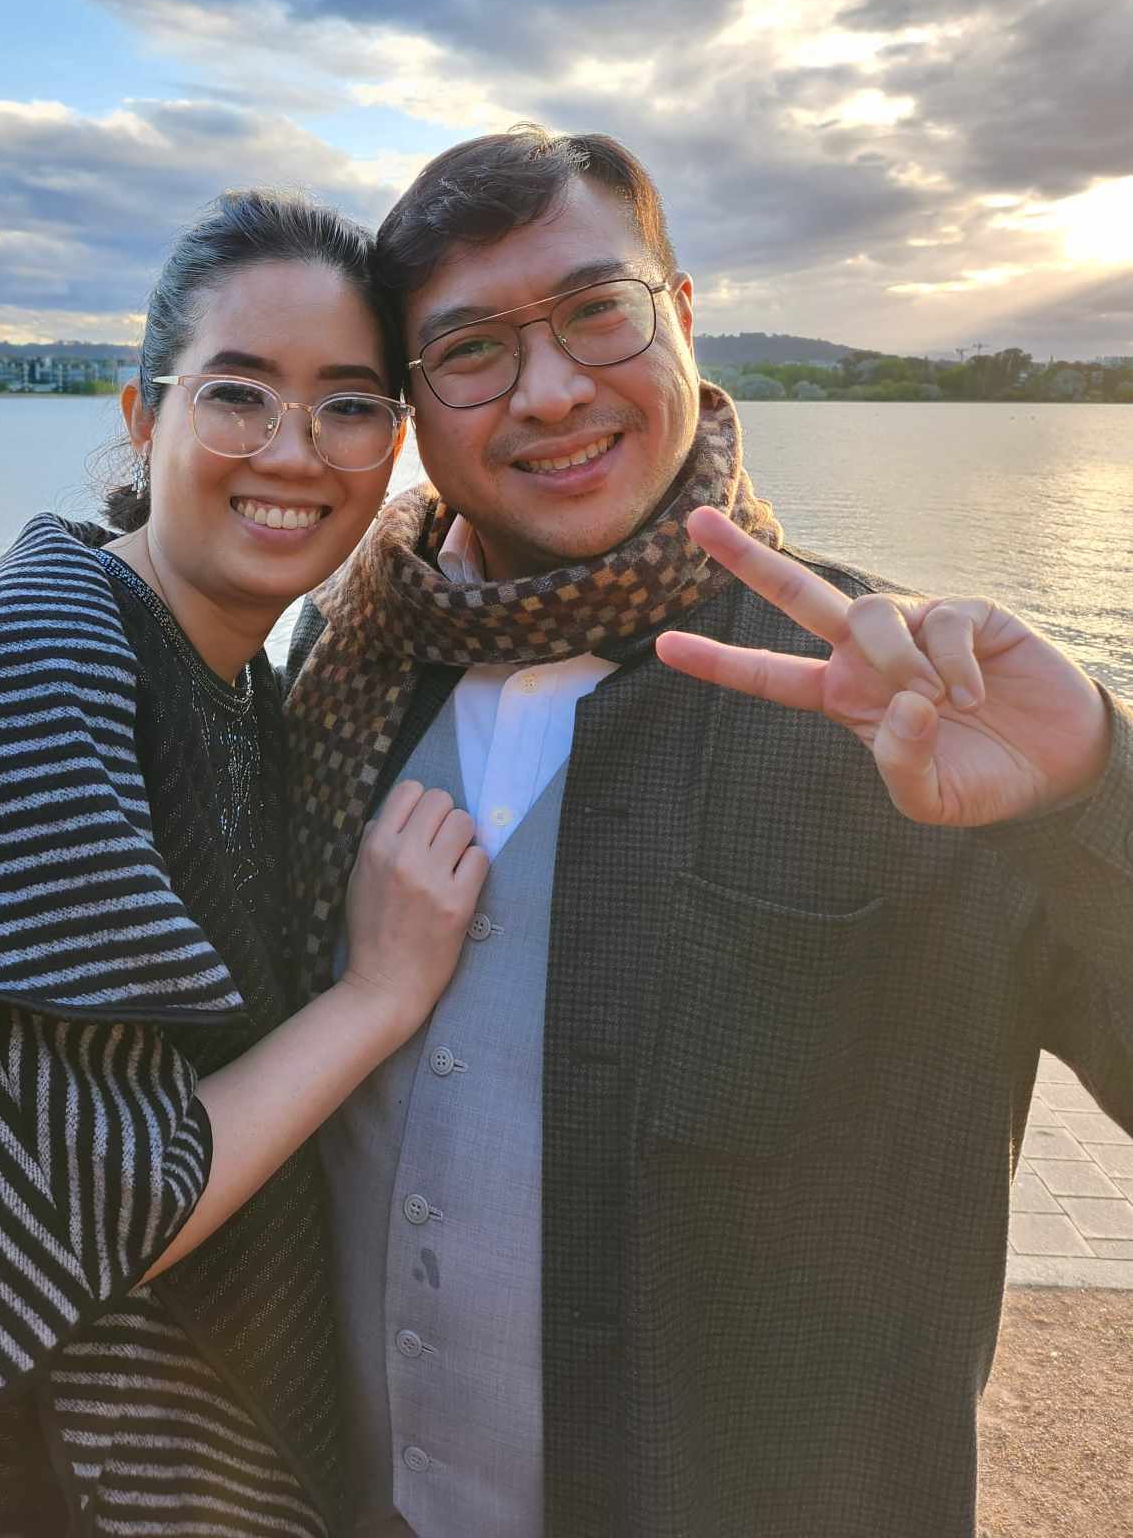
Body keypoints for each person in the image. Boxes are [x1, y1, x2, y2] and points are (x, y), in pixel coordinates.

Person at [284, 127, 1133, 1538]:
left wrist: (1092, 789)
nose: (550, 392)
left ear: (681, 313)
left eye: (593, 312)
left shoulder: (916, 715)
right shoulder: (347, 662)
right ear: (417, 405)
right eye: (474, 349)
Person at [0, 191, 488, 1538]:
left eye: (349, 406)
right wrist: (380, 997)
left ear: (395, 446)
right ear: (143, 415)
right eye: (239, 395)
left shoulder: (241, 678)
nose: (295, 451)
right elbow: (119, 1207)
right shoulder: (42, 654)